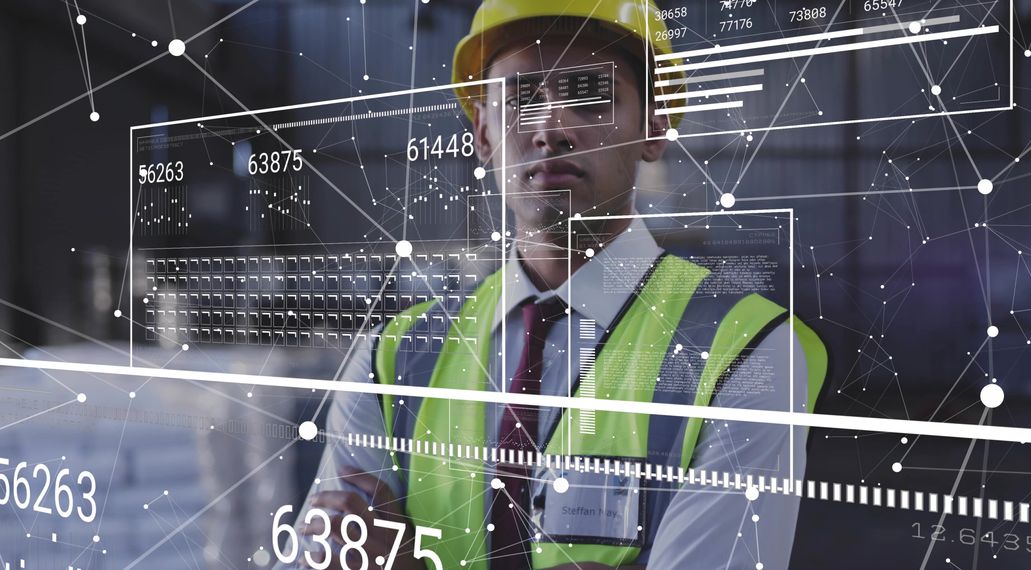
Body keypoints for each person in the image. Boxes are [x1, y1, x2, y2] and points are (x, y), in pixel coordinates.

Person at [283, 1, 828, 569]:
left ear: (654, 124)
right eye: (520, 99)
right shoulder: (393, 357)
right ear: (484, 134)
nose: (552, 127)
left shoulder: (748, 351)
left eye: (590, 94)